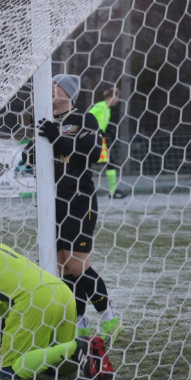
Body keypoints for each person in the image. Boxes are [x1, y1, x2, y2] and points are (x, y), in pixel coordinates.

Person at [0, 243, 112, 380]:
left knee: (9, 372)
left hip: (35, 300)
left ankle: (77, 347)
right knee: (57, 370)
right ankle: (86, 351)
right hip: (63, 292)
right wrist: (4, 353)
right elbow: (9, 310)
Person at [37, 74, 121, 341]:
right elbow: (30, 158)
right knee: (60, 267)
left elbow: (93, 153)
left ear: (67, 92)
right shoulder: (48, 123)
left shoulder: (85, 119)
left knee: (77, 265)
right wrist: (36, 145)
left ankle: (109, 319)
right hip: (53, 204)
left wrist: (56, 140)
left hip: (78, 200)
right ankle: (80, 324)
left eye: (54, 86)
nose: (49, 90)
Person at [89, 84, 126, 199]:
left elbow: (101, 123)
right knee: (108, 163)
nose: (118, 100)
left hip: (100, 139)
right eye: (117, 97)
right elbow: (88, 116)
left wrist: (108, 130)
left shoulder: (107, 109)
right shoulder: (100, 106)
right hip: (93, 139)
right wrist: (96, 130)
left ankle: (113, 191)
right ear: (110, 97)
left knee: (109, 163)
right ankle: (112, 192)